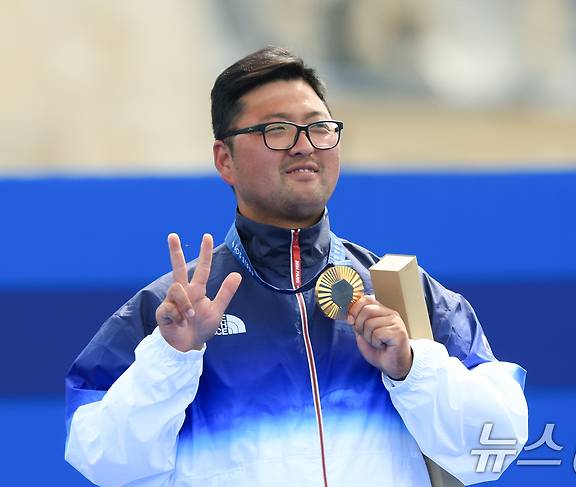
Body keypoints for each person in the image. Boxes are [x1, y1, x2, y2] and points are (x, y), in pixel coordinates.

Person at [65, 46, 528, 487]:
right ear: (224, 159)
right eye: (277, 130)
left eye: (319, 127)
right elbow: (106, 465)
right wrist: (171, 359)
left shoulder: (404, 293)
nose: (304, 145)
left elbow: (496, 448)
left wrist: (411, 369)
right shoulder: (169, 315)